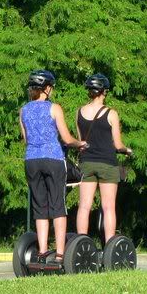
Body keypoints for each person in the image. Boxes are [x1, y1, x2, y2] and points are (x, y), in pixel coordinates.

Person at [19, 70, 87, 265]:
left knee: (40, 206)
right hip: (53, 159)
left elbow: (26, 140)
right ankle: (59, 254)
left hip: (31, 160)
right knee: (58, 205)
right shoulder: (54, 108)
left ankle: (41, 251)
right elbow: (66, 138)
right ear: (47, 89)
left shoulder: (23, 110)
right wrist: (79, 144)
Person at [76, 73, 132, 243]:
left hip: (86, 163)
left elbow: (81, 141)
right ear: (104, 92)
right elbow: (117, 145)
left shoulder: (79, 112)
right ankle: (109, 244)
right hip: (107, 163)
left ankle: (81, 243)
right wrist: (127, 150)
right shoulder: (111, 113)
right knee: (108, 207)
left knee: (84, 206)